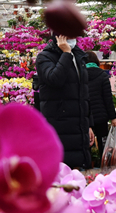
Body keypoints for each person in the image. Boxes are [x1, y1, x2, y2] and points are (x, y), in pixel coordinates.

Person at [36, 35, 95, 170]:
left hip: (79, 126)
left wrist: (89, 124)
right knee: (64, 171)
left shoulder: (78, 56)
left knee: (80, 172)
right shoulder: (45, 57)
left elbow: (84, 94)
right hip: (60, 125)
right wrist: (66, 54)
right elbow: (55, 79)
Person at [86, 51, 116, 157]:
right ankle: (104, 163)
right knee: (103, 143)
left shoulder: (80, 75)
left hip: (86, 115)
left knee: (87, 143)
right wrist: (113, 117)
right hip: (101, 116)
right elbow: (108, 98)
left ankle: (88, 164)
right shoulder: (102, 75)